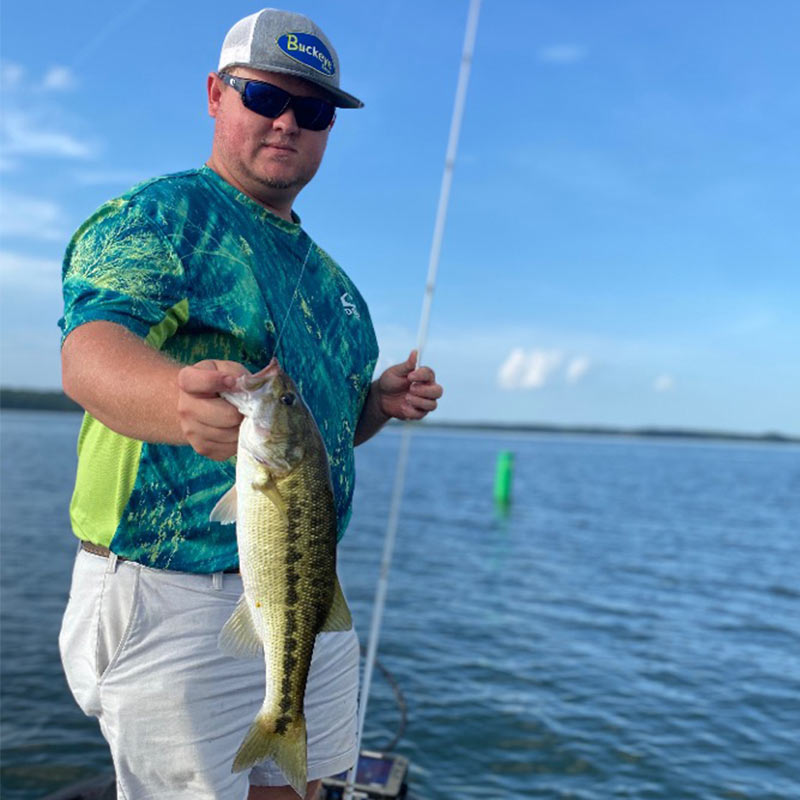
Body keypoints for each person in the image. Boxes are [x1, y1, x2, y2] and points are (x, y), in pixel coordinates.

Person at [57, 8, 443, 800]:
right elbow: (88, 351)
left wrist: (372, 404)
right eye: (266, 96)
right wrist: (174, 399)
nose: (288, 123)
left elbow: (319, 435)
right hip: (173, 591)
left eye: (315, 111)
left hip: (307, 595)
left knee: (300, 787)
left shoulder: (338, 289)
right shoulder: (162, 219)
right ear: (215, 94)